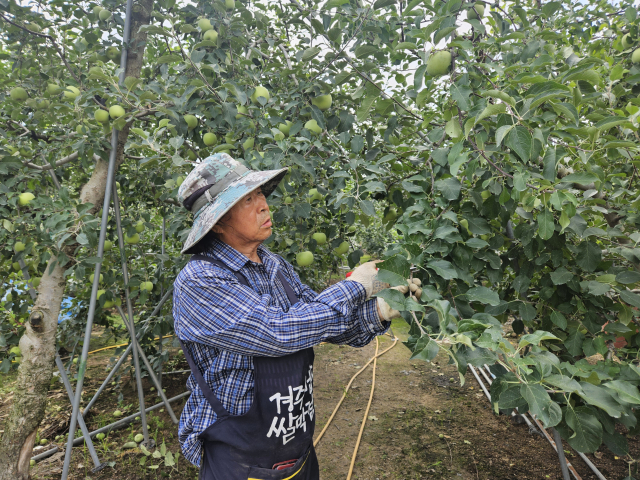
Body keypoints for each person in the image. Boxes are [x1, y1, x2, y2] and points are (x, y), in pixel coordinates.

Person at [173, 153, 403, 479]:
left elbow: (323, 322)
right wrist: (355, 287)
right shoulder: (200, 281)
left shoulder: (276, 266)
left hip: (297, 448)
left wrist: (380, 308)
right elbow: (276, 333)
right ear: (219, 222)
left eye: (261, 194)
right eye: (247, 199)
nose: (263, 205)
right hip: (238, 459)